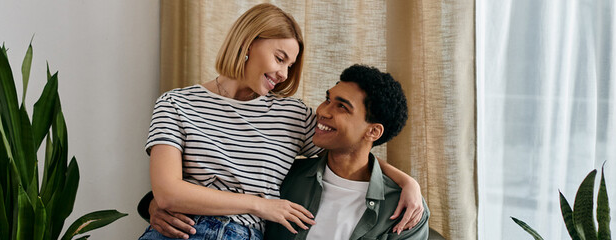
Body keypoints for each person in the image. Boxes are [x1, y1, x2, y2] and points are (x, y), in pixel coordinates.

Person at [138, 4, 424, 240]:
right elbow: (168, 193)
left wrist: (406, 181)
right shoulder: (176, 103)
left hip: (242, 234)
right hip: (177, 232)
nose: (285, 74)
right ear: (248, 43)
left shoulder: (292, 115)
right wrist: (260, 205)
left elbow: (351, 145)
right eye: (280, 58)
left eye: (290, 65)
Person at [264, 64, 429, 240]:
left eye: (342, 106)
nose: (322, 111)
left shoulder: (406, 209)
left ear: (373, 132)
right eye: (328, 100)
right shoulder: (284, 175)